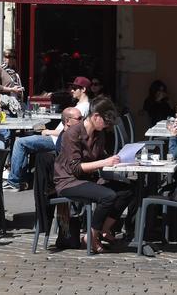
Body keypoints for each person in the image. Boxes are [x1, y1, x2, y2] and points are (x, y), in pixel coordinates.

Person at [54, 97, 136, 252]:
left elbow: (101, 158)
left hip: (89, 179)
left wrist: (122, 161)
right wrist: (105, 162)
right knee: (108, 196)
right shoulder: (72, 134)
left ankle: (100, 232)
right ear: (95, 116)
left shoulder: (100, 135)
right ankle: (90, 237)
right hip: (69, 181)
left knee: (127, 190)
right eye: (106, 122)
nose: (107, 126)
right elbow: (76, 169)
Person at [5, 106, 82, 190]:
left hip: (53, 139)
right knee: (22, 142)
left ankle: (14, 181)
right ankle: (21, 179)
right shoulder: (77, 107)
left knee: (20, 143)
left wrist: (48, 131)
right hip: (55, 138)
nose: (82, 121)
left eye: (82, 118)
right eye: (79, 118)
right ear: (67, 121)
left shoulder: (82, 109)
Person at [0, 49, 25, 116]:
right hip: (6, 108)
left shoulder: (14, 71)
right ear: (3, 58)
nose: (8, 59)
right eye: (6, 57)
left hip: (16, 106)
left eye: (11, 57)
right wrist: (11, 89)